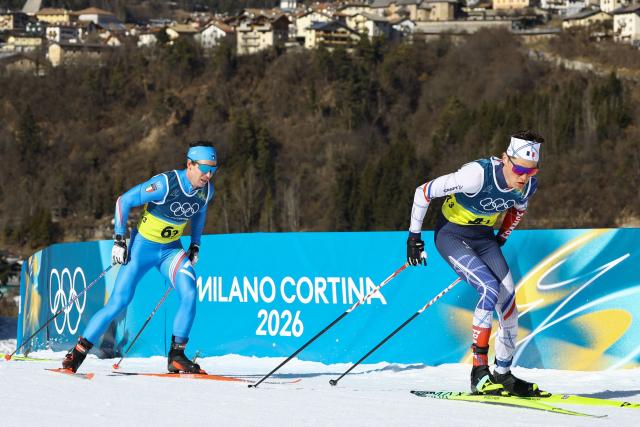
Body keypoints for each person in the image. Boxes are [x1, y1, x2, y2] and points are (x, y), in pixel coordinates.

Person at [406, 131, 543, 397]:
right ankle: (478, 373)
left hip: (484, 238)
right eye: (518, 169)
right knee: (489, 288)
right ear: (505, 158)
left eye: (531, 171)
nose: (524, 176)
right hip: (452, 235)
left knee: (509, 303)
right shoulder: (475, 175)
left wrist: (502, 236)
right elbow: (423, 192)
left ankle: (502, 375)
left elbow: (518, 209)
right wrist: (414, 238)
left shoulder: (526, 185)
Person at [62, 141, 218, 374]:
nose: (209, 175)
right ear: (189, 165)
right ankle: (77, 354)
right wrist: (118, 239)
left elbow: (200, 215)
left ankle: (176, 356)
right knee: (119, 302)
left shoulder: (207, 191)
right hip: (142, 249)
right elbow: (123, 201)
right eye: (205, 168)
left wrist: (195, 244)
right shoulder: (166, 183)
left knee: (190, 292)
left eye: (214, 170)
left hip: (170, 250)